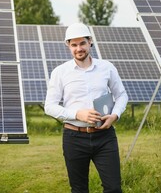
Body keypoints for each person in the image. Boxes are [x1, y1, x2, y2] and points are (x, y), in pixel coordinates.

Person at [44, 23, 128, 193]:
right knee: (79, 189)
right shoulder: (60, 72)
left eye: (82, 43)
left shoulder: (107, 67)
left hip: (105, 137)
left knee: (114, 188)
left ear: (90, 41)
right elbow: (49, 106)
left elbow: (121, 95)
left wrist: (115, 115)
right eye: (73, 45)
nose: (78, 49)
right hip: (74, 137)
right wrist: (77, 114)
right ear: (68, 45)